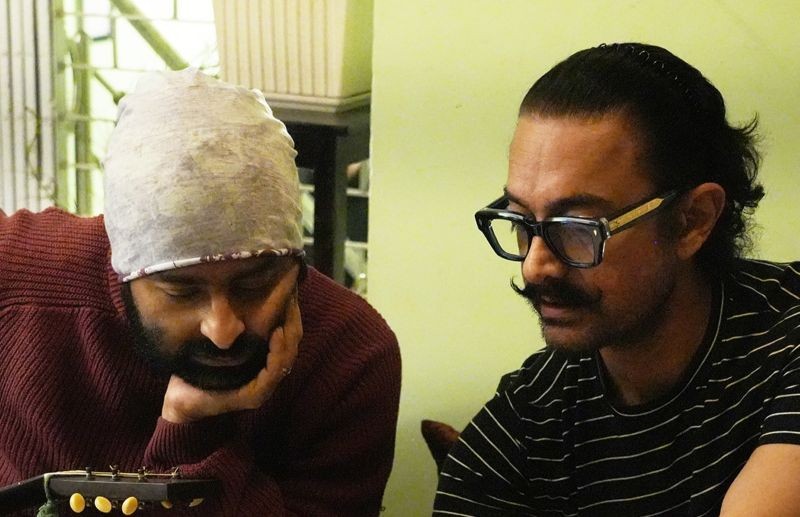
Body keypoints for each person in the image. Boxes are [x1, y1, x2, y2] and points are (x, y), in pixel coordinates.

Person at [0, 69, 401, 516]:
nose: (222, 330)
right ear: (123, 266)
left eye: (254, 285)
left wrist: (192, 429)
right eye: (180, 291)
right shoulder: (18, 276)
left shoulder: (351, 356)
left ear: (294, 263)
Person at [433, 42, 800, 516]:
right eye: (521, 221)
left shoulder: (785, 336)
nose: (535, 266)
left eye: (577, 227)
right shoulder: (525, 425)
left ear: (692, 220)